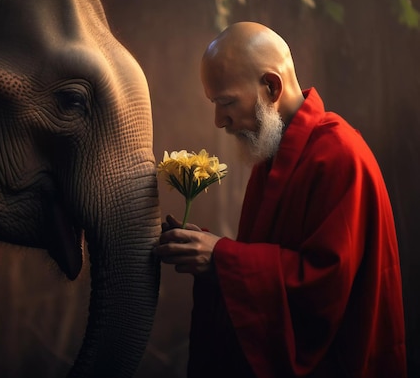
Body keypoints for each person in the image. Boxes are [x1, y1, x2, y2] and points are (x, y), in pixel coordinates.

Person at [154, 21, 407, 378]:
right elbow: (270, 262)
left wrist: (222, 258)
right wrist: (208, 251)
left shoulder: (340, 155)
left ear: (271, 86)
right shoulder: (272, 155)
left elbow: (325, 289)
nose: (218, 120)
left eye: (226, 102)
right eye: (214, 103)